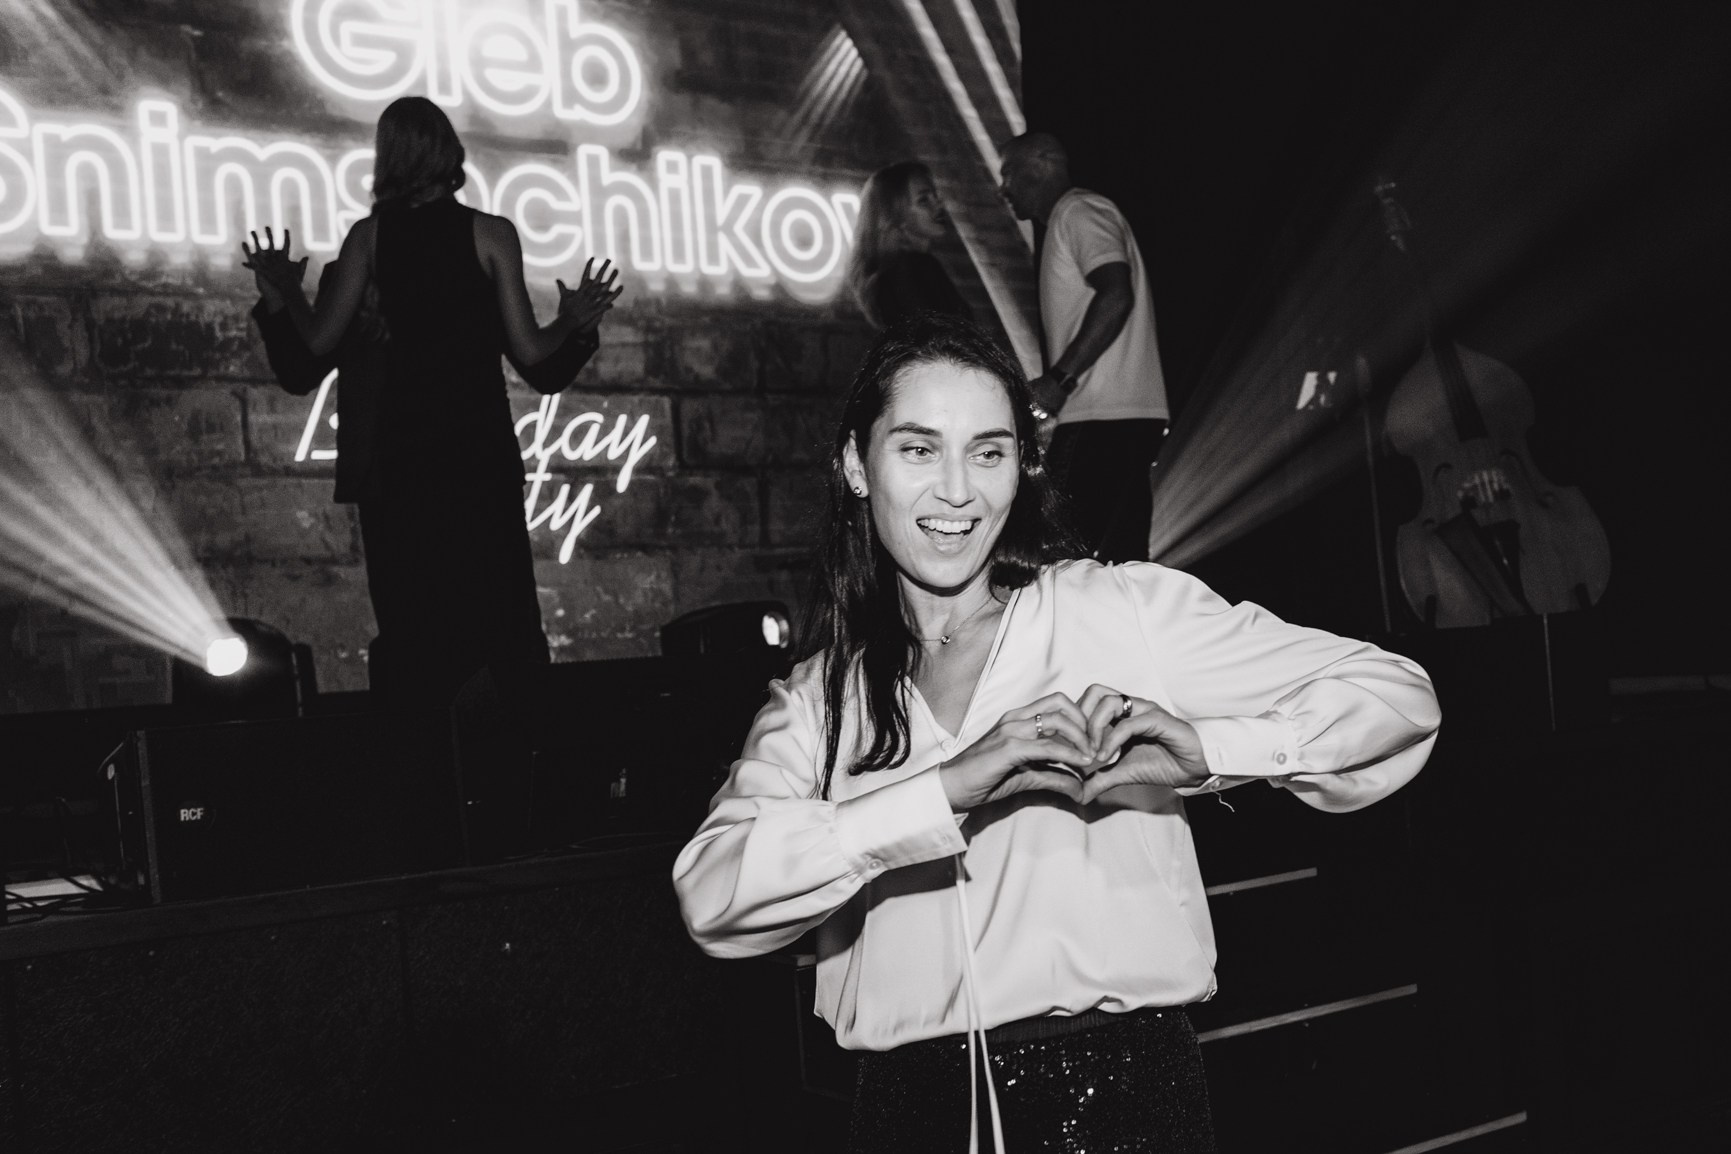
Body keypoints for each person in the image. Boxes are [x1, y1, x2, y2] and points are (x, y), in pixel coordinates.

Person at [673, 312, 1439, 1152]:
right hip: (906, 1112)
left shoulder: (1112, 611)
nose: (957, 490)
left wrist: (1213, 750)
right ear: (857, 465)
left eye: (988, 452)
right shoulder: (818, 698)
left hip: (1121, 1098)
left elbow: (1396, 700)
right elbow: (712, 898)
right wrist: (942, 792)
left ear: (1021, 466)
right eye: (919, 449)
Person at [243, 96, 621, 709]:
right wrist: (573, 323)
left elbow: (311, 350)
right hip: (478, 465)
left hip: (400, 473)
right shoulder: (490, 234)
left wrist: (285, 294)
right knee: (503, 633)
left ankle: (425, 762)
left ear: (387, 157)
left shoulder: (368, 241)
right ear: (449, 150)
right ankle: (518, 760)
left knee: (417, 641)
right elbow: (535, 357)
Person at [1000, 131, 1169, 563]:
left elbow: (1116, 295)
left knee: (1053, 553)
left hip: (1101, 416)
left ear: (1043, 162)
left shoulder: (1078, 211)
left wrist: (1060, 379)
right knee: (1122, 562)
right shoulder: (1075, 216)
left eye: (1009, 173)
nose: (1004, 189)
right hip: (1123, 415)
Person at [844, 161, 971, 330]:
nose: (938, 205)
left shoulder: (890, 271)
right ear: (895, 215)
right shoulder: (915, 267)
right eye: (924, 200)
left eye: (935, 195)